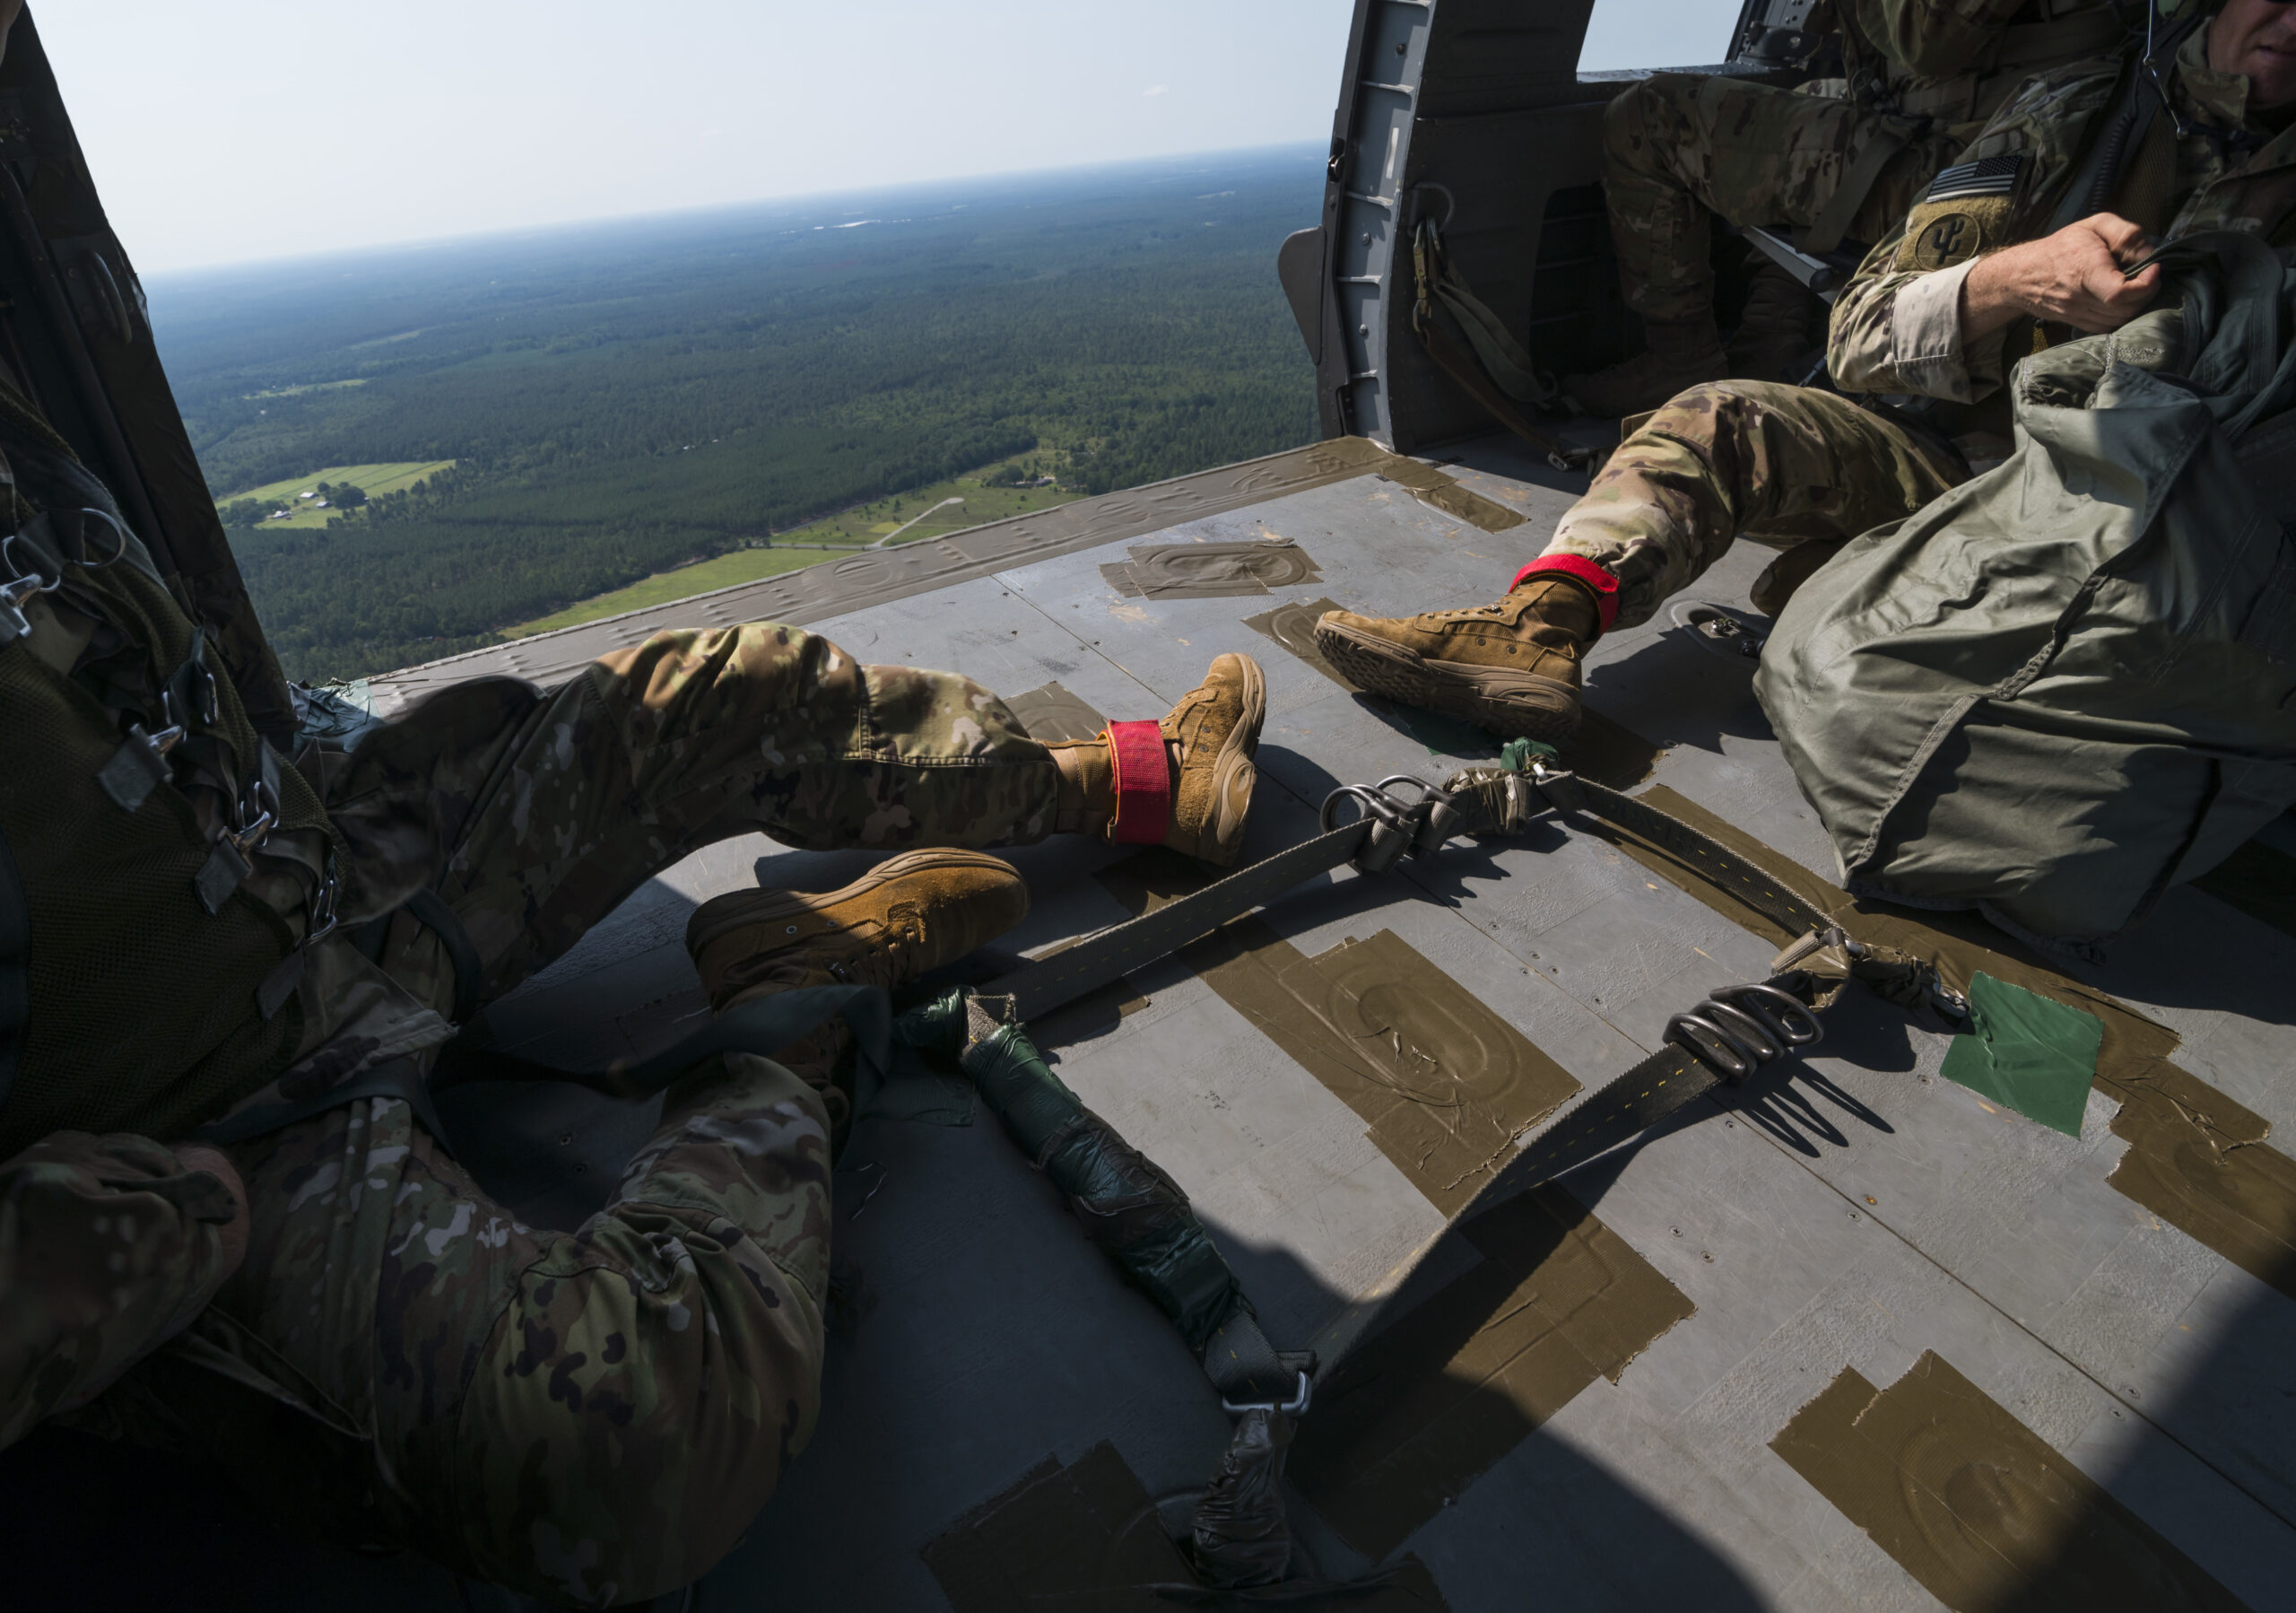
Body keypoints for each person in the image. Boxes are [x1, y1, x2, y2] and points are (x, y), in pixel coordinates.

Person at [1320, 0, 2296, 745]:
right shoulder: (2081, 122)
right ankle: (1536, 631)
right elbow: (1862, 336)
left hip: (2173, 551)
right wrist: (2009, 282)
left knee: (1833, 613)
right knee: (1715, 418)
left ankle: (1881, 595)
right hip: (1971, 470)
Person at [1566, 0, 2132, 417]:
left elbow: (1927, 39)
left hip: (1999, 159)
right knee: (1811, 100)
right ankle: (1771, 339)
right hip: (2011, 128)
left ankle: (1680, 361)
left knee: (1648, 120)